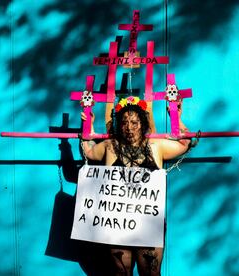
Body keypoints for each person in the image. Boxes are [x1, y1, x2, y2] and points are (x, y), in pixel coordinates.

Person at [80, 96, 197, 276]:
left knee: (150, 273)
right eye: (125, 122)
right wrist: (88, 126)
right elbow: (88, 150)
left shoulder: (155, 147)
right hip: (117, 225)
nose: (129, 127)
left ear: (142, 123)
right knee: (121, 272)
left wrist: (178, 119)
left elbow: (185, 143)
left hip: (149, 225)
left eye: (134, 122)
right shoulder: (110, 147)